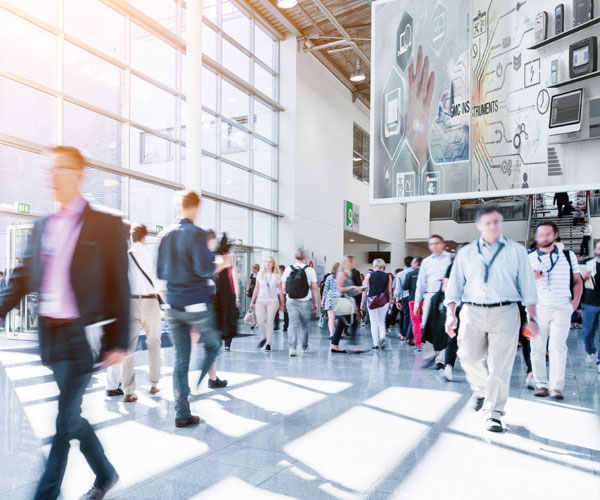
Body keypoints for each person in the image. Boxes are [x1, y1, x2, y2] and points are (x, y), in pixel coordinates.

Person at [0, 146, 129, 500]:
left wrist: (119, 340)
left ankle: (46, 494)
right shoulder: (43, 225)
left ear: (78, 174)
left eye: (59, 169)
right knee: (71, 417)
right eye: (50, 170)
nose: (51, 176)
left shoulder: (105, 225)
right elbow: (21, 279)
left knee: (64, 420)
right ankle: (105, 473)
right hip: (52, 338)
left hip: (82, 336)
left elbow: (120, 283)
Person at [445, 205, 538, 433]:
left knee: (500, 366)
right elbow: (454, 285)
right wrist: (450, 314)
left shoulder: (516, 251)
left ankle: (493, 413)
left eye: (497, 221)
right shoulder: (466, 253)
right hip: (471, 311)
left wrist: (532, 317)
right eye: (489, 223)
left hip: (505, 312)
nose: (494, 226)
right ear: (479, 226)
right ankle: (481, 389)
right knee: (467, 355)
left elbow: (528, 285)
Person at [156, 190, 230, 428]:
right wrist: (220, 264)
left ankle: (182, 412)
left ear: (179, 207)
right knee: (213, 344)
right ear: (196, 207)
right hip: (196, 304)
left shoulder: (165, 235)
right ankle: (200, 380)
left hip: (173, 305)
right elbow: (204, 269)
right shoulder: (197, 234)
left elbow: (160, 273)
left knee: (180, 359)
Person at [106, 223, 162, 402]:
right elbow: (158, 282)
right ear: (145, 237)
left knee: (128, 347)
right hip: (151, 302)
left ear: (132, 237)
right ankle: (154, 384)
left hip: (131, 303)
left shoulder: (127, 256)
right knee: (154, 344)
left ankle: (129, 391)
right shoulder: (151, 256)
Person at [528, 221, 582, 400]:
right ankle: (541, 384)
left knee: (558, 346)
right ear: (536, 238)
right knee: (537, 348)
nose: (543, 238)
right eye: (540, 235)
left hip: (561, 307)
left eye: (547, 234)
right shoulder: (529, 258)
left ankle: (556, 387)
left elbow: (577, 280)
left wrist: (574, 302)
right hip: (537, 309)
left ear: (555, 235)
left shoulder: (568, 255)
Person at [414, 235, 452, 367]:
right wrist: (417, 303)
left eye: (437, 243)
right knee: (426, 325)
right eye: (431, 244)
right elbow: (421, 283)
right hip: (430, 296)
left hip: (446, 296)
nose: (434, 246)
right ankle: (430, 355)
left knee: (443, 327)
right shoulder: (426, 261)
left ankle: (440, 360)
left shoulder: (450, 258)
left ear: (443, 244)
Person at [281, 248, 319, 356]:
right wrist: (316, 302)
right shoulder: (310, 270)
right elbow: (314, 287)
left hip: (291, 301)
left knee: (292, 325)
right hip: (305, 301)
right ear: (305, 258)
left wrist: (288, 294)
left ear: (294, 257)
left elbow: (283, 287)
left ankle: (292, 348)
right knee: (304, 325)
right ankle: (304, 346)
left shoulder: (288, 269)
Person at [212, 233, 239, 353]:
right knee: (226, 318)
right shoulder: (224, 266)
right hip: (223, 295)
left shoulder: (226, 267)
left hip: (222, 295)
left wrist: (236, 298)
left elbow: (236, 284)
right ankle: (224, 341)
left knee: (224, 318)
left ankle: (224, 342)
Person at [250, 256, 284, 351]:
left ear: (273, 264)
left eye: (270, 262)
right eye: (266, 262)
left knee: (269, 322)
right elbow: (256, 288)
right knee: (260, 321)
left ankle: (269, 343)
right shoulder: (260, 274)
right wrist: (252, 301)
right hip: (260, 300)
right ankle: (263, 337)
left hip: (273, 301)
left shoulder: (277, 275)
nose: (268, 264)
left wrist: (282, 303)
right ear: (264, 264)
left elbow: (280, 291)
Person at [331, 255, 363, 353]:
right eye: (353, 262)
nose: (354, 263)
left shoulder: (346, 274)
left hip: (347, 301)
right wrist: (352, 287)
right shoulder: (342, 274)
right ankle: (353, 345)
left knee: (341, 324)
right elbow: (339, 289)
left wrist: (357, 289)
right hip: (344, 302)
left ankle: (334, 345)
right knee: (353, 323)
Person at [362, 259, 393, 349]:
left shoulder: (369, 275)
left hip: (372, 301)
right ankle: (382, 336)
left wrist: (362, 302)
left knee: (374, 322)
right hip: (384, 301)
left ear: (374, 265)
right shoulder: (388, 276)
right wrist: (390, 302)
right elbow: (390, 291)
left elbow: (365, 290)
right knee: (381, 321)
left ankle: (375, 344)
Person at [580, 239, 600, 373]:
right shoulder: (586, 264)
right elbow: (575, 282)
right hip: (589, 302)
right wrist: (583, 278)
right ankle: (591, 351)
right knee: (587, 333)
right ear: (595, 250)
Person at [404, 257, 423, 350]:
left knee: (416, 322)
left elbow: (404, 287)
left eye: (412, 262)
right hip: (425, 300)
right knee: (425, 321)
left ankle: (418, 344)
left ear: (416, 263)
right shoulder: (425, 273)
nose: (411, 264)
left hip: (413, 300)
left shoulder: (410, 274)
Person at [394, 256, 414, 341]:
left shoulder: (400, 274)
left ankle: (404, 335)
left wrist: (397, 300)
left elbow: (398, 289)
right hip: (414, 296)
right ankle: (411, 335)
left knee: (405, 316)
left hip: (404, 297)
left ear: (404, 263)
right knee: (413, 317)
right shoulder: (416, 272)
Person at [321, 262, 340, 339]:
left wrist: (323, 300)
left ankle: (331, 334)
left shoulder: (329, 277)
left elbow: (325, 290)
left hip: (330, 298)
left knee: (331, 318)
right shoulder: (342, 277)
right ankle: (339, 333)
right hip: (339, 299)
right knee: (340, 318)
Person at [274, 264, 289, 332]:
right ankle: (276, 325)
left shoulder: (286, 277)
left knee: (285, 310)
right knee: (276, 310)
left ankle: (285, 325)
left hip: (284, 294)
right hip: (277, 294)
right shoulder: (276, 277)